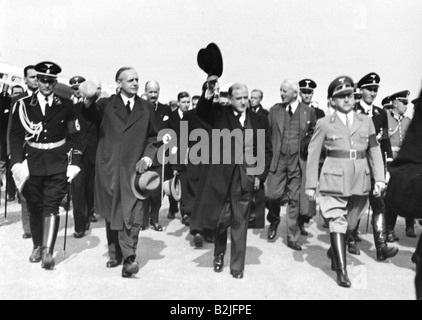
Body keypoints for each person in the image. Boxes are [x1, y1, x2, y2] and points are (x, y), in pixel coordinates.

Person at [305, 76, 386, 288]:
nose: (347, 99)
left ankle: (335, 248)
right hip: (334, 178)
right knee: (336, 221)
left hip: (361, 177)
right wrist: (311, 185)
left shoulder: (365, 121)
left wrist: (379, 178)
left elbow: (374, 150)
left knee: (350, 224)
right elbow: (313, 154)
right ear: (332, 101)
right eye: (341, 96)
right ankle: (342, 270)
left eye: (349, 95)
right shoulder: (324, 124)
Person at [83, 68, 159, 278]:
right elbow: (89, 112)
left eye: (137, 80)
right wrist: (88, 99)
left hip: (136, 168)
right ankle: (114, 252)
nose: (135, 83)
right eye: (130, 80)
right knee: (114, 210)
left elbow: (155, 138)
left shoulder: (146, 107)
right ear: (119, 82)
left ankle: (129, 259)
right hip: (110, 167)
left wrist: (147, 157)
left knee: (133, 212)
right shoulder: (106, 105)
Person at [195, 81, 272, 279]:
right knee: (221, 220)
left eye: (246, 98)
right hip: (221, 177)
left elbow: (266, 150)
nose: (243, 102)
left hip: (245, 177)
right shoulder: (221, 115)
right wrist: (208, 92)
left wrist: (259, 175)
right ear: (230, 99)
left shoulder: (259, 120)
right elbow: (202, 111)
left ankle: (237, 266)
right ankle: (219, 254)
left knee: (240, 222)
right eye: (239, 98)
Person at [10, 61, 83, 270]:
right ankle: (37, 245)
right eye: (43, 80)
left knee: (52, 205)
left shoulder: (66, 105)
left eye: (51, 81)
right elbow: (15, 136)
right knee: (35, 205)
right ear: (37, 81)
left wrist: (75, 163)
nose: (47, 84)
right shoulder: (23, 105)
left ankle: (48, 251)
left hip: (58, 161)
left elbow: (75, 136)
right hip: (31, 161)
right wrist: (15, 163)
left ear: (55, 82)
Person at [265, 80, 317, 251]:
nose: (281, 93)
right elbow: (268, 134)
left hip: (297, 162)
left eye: (284, 91)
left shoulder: (308, 112)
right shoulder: (275, 111)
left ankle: (292, 236)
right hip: (278, 161)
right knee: (271, 195)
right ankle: (274, 220)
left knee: (294, 200)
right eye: (280, 90)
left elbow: (313, 134)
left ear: (295, 93)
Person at [349, 72, 394, 256]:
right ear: (361, 90)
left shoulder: (380, 113)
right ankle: (350, 238)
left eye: (376, 90)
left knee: (379, 205)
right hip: (358, 166)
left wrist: (388, 165)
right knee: (356, 204)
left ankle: (381, 246)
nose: (373, 93)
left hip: (375, 167)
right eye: (369, 89)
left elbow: (384, 141)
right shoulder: (352, 111)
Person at [7, 65, 39, 239]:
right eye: (32, 77)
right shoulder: (19, 99)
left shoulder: (46, 98)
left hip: (42, 152)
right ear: (25, 79)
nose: (35, 80)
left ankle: (41, 224)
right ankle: (28, 228)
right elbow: (13, 128)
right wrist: (12, 152)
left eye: (37, 77)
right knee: (25, 190)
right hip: (24, 150)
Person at [70, 77, 101, 238]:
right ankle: (79, 225)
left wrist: (92, 97)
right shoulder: (72, 108)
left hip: (93, 154)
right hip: (77, 155)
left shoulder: (97, 109)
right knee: (77, 190)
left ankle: (89, 213)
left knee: (90, 189)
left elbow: (92, 111)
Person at [385, 91, 416, 240]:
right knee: (391, 197)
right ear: (395, 103)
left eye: (407, 103)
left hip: (404, 165)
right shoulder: (385, 119)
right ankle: (389, 229)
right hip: (388, 163)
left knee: (409, 194)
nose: (406, 105)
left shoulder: (408, 121)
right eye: (404, 102)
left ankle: (409, 225)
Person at [144, 81, 173, 229]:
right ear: (145, 92)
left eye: (156, 92)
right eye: (150, 92)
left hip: (161, 155)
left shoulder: (166, 109)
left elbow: (172, 130)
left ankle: (154, 218)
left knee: (157, 190)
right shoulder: (140, 108)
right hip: (144, 154)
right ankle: (142, 219)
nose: (153, 95)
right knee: (142, 186)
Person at [248, 89, 268, 229]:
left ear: (261, 99)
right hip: (249, 150)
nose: (252, 100)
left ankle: (258, 219)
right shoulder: (247, 113)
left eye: (255, 98)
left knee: (258, 186)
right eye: (251, 97)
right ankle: (249, 216)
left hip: (260, 150)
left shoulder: (265, 115)